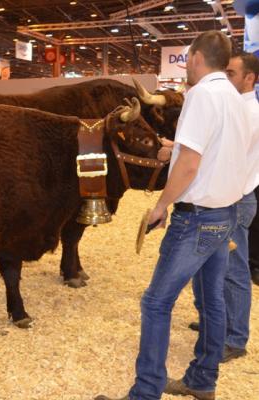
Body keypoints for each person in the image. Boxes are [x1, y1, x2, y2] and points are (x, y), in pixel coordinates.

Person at [95, 31, 250, 400]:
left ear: (195, 57)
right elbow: (212, 151)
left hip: (196, 218)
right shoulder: (234, 96)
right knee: (212, 300)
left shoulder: (199, 96)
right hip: (224, 212)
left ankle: (145, 392)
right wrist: (175, 148)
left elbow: (191, 166)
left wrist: (162, 205)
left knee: (156, 302)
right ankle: (202, 380)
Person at [186, 52, 259, 362]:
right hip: (228, 197)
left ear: (249, 78)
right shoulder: (236, 106)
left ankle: (235, 338)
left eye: (231, 73)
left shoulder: (249, 111)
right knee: (213, 267)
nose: (225, 78)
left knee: (234, 270)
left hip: (237, 199)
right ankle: (215, 324)